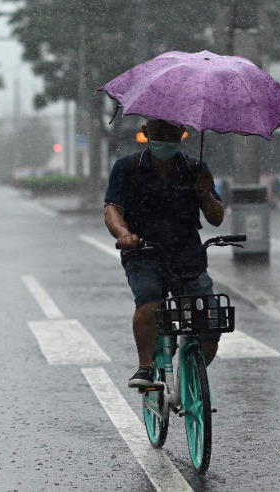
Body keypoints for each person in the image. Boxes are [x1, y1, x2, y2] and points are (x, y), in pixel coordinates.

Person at [103, 119, 225, 389]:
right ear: (147, 132)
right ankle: (145, 366)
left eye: (171, 133)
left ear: (182, 134)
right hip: (143, 252)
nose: (165, 139)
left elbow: (216, 218)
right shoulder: (127, 167)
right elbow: (112, 208)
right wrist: (124, 234)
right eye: (158, 132)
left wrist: (205, 193)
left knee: (209, 325)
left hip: (188, 254)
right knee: (148, 301)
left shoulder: (196, 168)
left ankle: (190, 379)